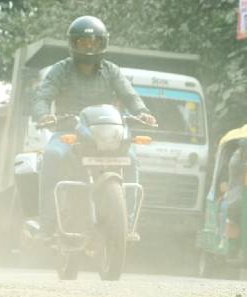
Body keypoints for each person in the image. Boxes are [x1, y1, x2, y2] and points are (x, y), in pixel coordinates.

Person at [31, 15, 157, 237]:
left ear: (102, 43)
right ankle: (48, 224)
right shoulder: (60, 70)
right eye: (83, 42)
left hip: (105, 135)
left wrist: (143, 113)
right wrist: (43, 115)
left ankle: (126, 223)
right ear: (73, 43)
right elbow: (43, 96)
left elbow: (130, 95)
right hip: (68, 132)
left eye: (94, 42)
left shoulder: (112, 71)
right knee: (51, 155)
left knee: (133, 160)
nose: (89, 46)